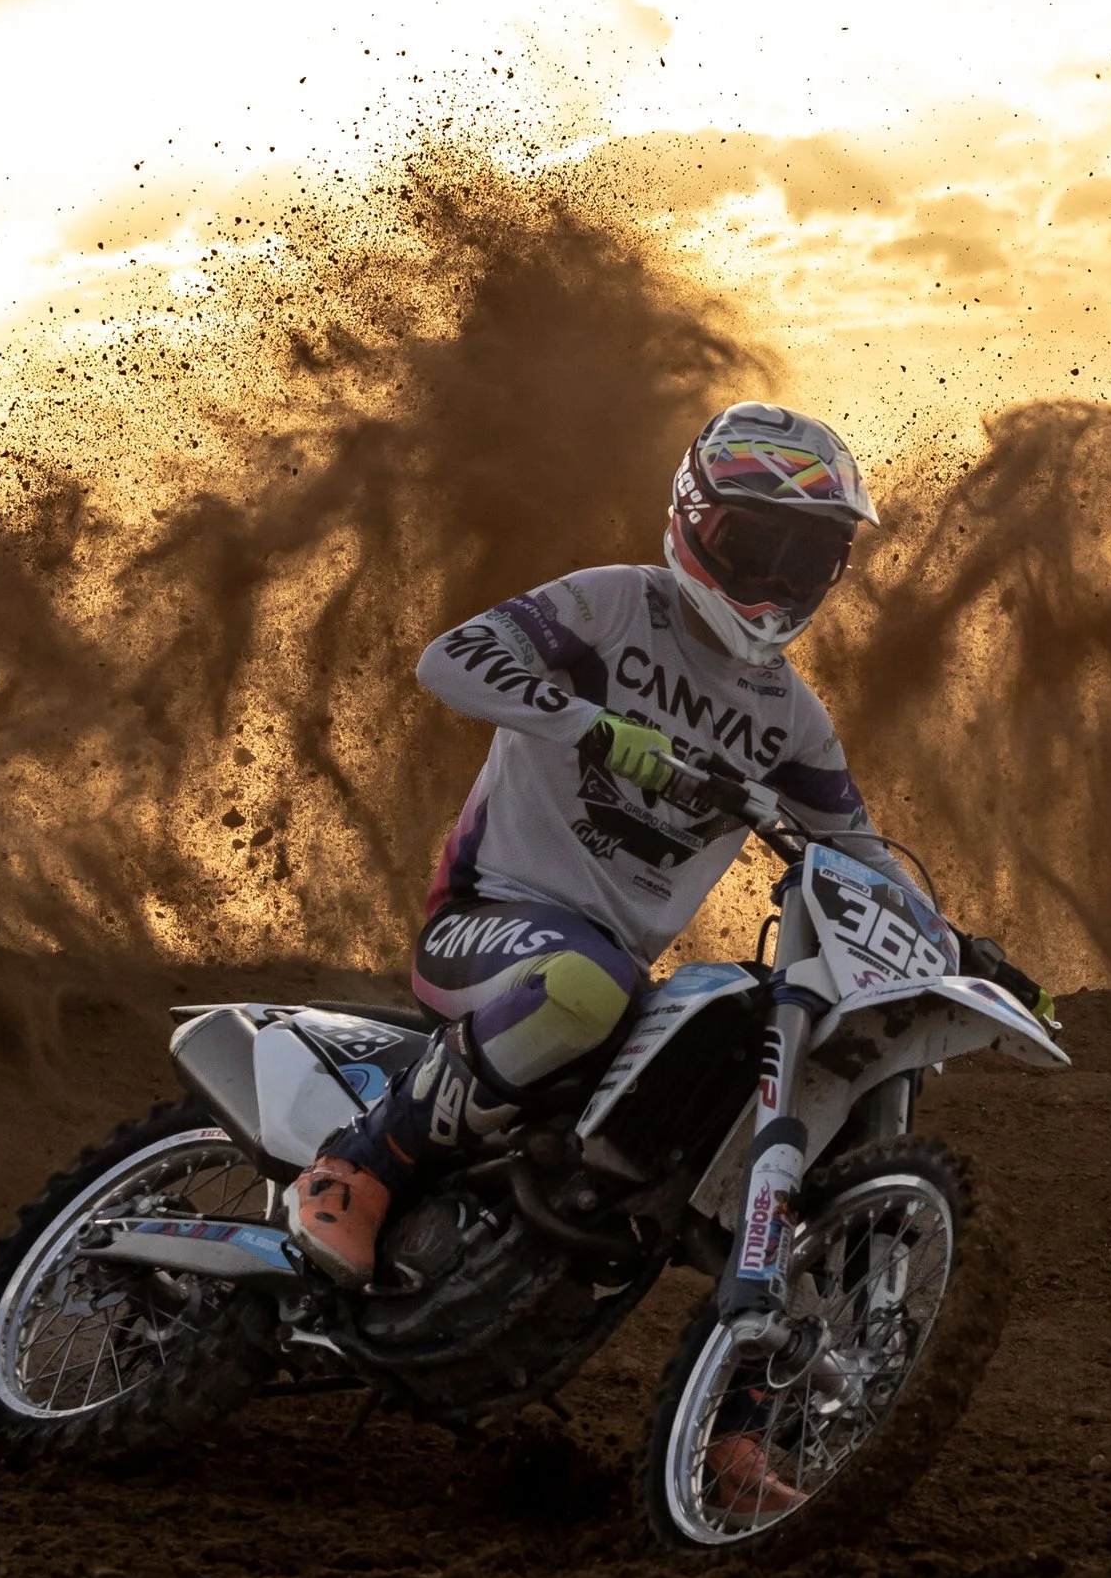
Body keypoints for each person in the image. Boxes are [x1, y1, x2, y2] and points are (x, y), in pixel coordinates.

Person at [284, 403, 909, 1309]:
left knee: (721, 1076)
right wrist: (597, 729)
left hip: (612, 980)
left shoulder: (793, 721)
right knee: (589, 981)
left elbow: (858, 849)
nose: (775, 579)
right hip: (484, 920)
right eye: (755, 545)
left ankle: (745, 1405)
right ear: (695, 521)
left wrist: (958, 945)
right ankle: (354, 1170)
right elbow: (449, 660)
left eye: (805, 558)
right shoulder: (614, 604)